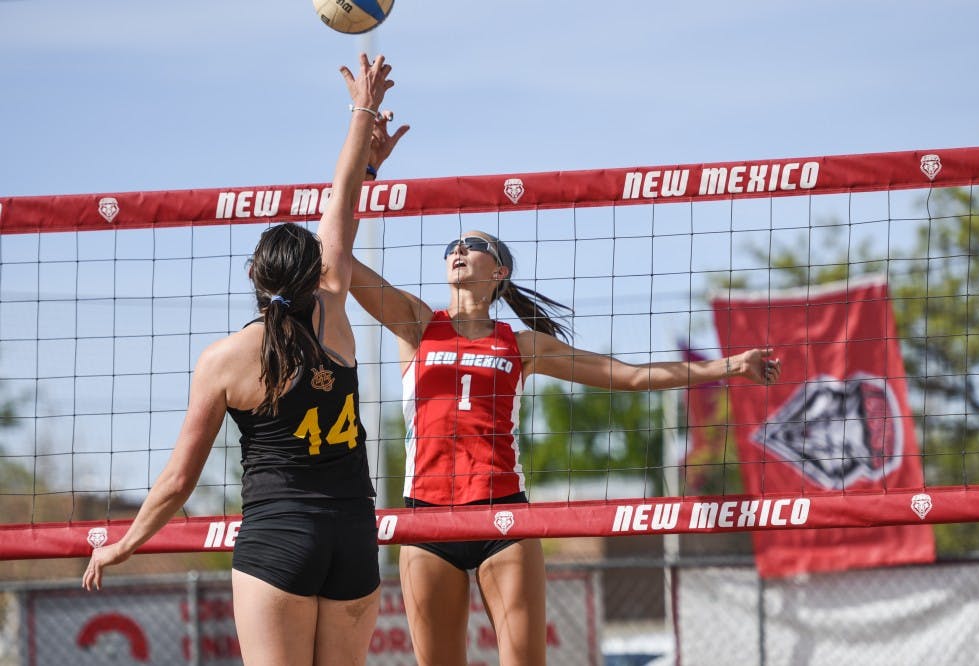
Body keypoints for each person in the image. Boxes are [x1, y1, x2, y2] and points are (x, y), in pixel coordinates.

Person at [82, 53, 406, 666]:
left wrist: (124, 544)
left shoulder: (225, 360)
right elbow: (339, 209)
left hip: (280, 535)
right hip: (353, 534)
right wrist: (362, 122)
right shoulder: (334, 312)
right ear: (317, 275)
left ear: (254, 275)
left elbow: (179, 482)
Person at [349, 218, 782, 662]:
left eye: (474, 244)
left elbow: (629, 376)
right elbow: (339, 260)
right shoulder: (418, 325)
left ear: (500, 272)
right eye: (453, 244)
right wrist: (365, 172)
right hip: (427, 518)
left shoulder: (522, 345)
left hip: (502, 516)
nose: (458, 248)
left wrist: (728, 367)